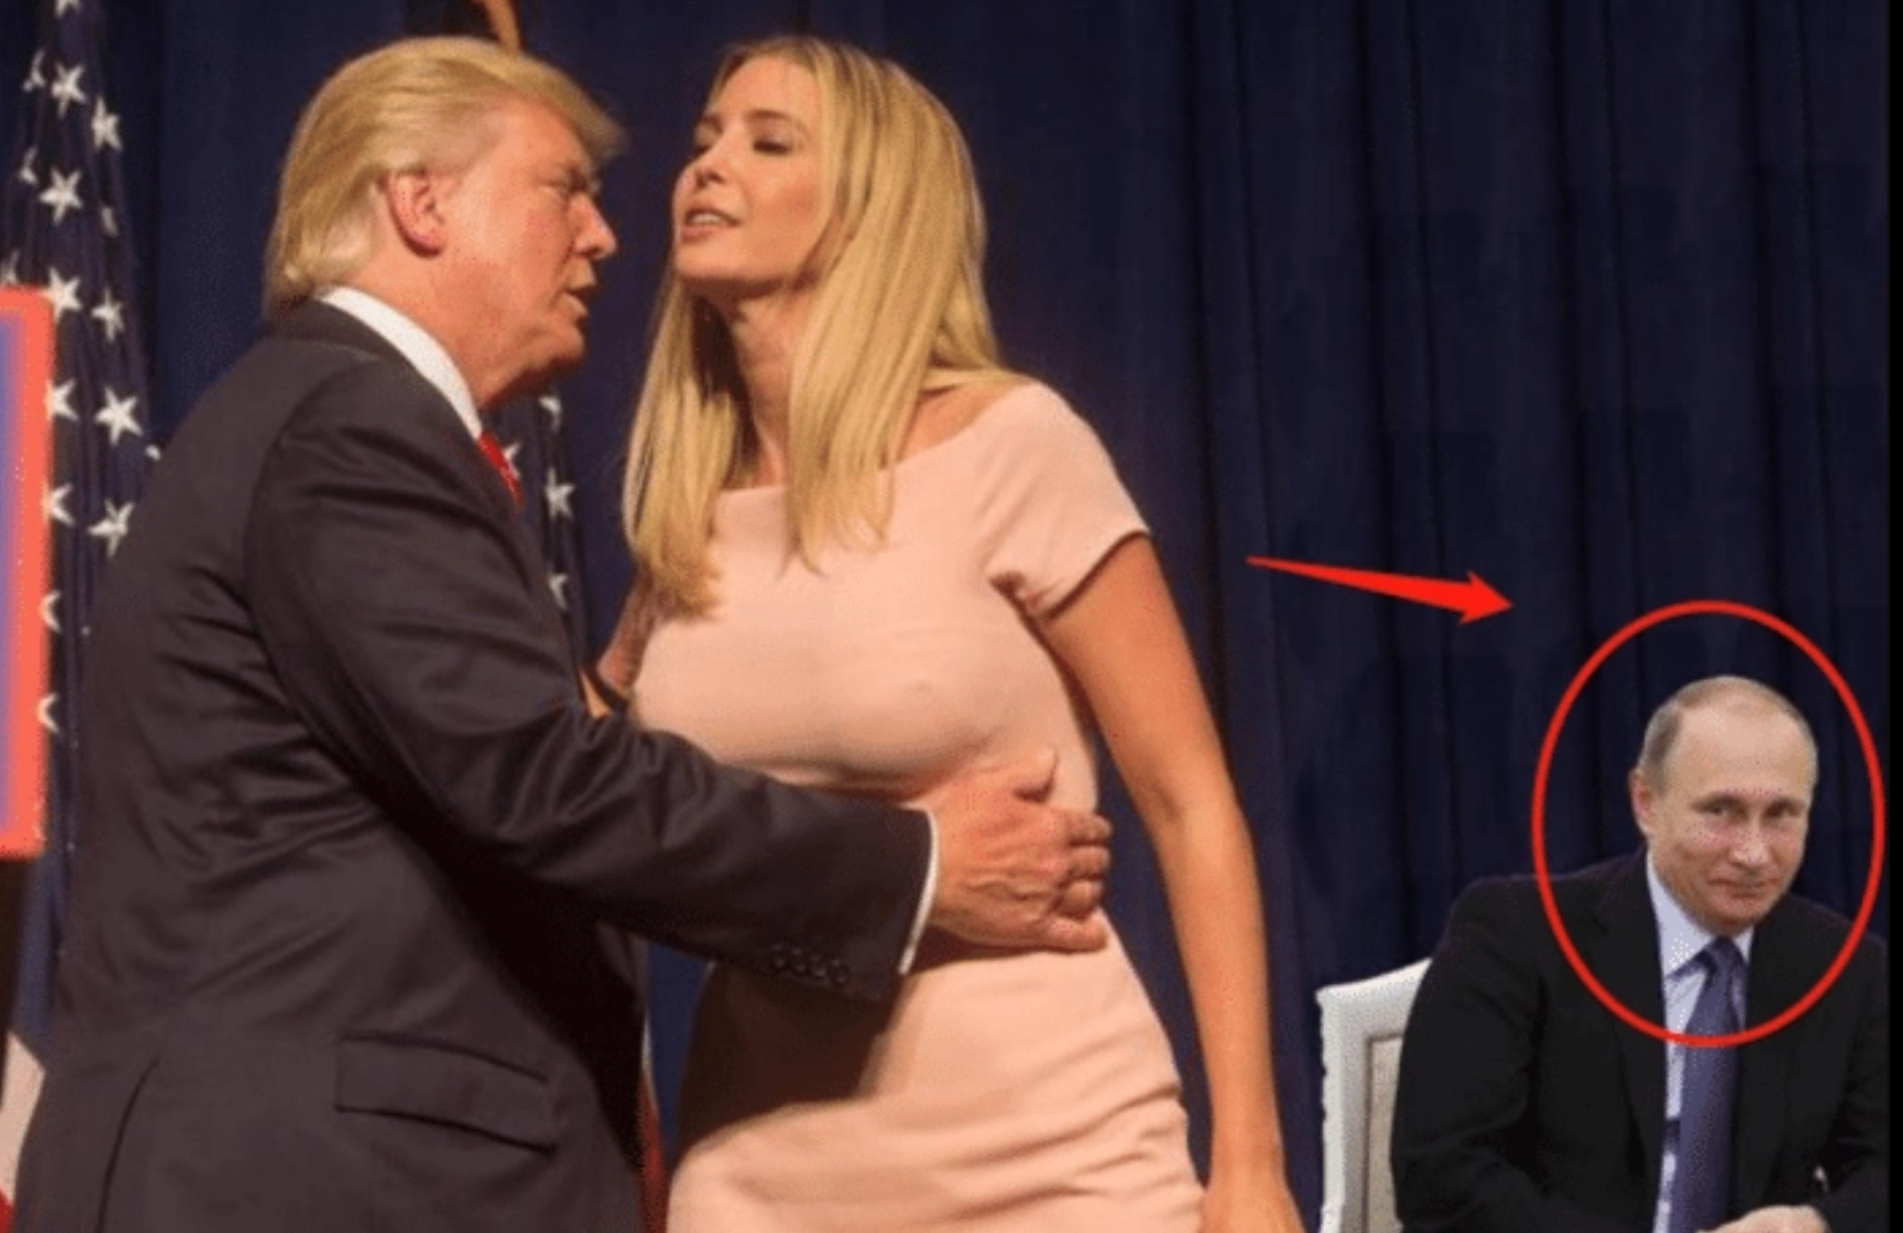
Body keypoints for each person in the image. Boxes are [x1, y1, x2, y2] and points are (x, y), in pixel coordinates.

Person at [10, 36, 1116, 1233]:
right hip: (317, 1184)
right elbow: (538, 784)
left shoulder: (318, 417)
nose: (602, 236)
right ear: (422, 203)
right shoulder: (351, 428)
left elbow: (448, 770)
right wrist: (919, 866)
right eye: (562, 191)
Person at [597, 35, 1303, 1233]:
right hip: (758, 1167)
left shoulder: (1011, 445)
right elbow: (571, 782)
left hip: (1049, 1153)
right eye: (705, 139)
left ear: (869, 211)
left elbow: (1189, 804)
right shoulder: (687, 512)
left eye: (769, 143)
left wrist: (1250, 1165)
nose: (708, 166)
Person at [1391, 675, 1888, 1233]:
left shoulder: (1845, 968)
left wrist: (1812, 1223)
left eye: (1781, 815)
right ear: (1646, 803)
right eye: (1720, 811)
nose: (1753, 853)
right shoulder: (1516, 936)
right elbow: (1442, 1177)